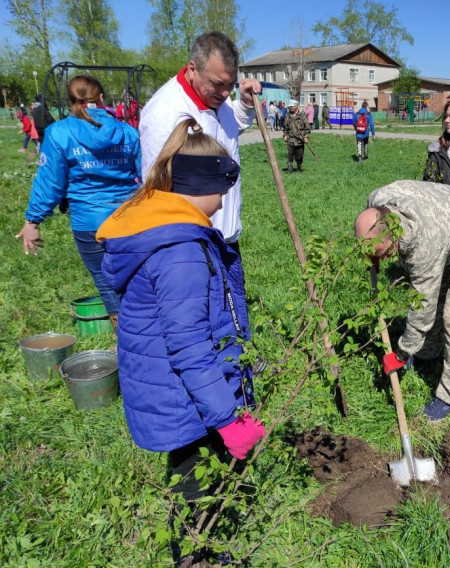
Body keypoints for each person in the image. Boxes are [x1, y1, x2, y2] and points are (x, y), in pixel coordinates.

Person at [97, 118, 266, 565]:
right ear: (203, 184)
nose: (226, 197)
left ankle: (209, 548)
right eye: (223, 187)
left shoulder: (164, 225)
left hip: (180, 395)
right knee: (195, 490)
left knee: (200, 484)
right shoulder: (180, 252)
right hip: (184, 401)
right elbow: (190, 347)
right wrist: (229, 421)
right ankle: (198, 556)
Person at [355, 180, 450, 421]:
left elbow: (422, 306)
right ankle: (428, 352)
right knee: (439, 297)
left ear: (394, 234)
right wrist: (372, 256)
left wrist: (402, 353)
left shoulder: (423, 245)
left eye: (383, 252)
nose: (381, 257)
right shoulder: (377, 201)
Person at [15, 75, 141, 328]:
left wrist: (33, 221)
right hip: (130, 218)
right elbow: (147, 174)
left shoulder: (59, 133)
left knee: (105, 281)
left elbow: (50, 182)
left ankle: (125, 338)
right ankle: (145, 332)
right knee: (136, 276)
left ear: (71, 101)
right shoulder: (128, 132)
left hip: (89, 221)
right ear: (102, 99)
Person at [139, 31, 261, 250]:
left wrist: (244, 104)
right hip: (192, 244)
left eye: (230, 85)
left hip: (225, 238)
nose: (225, 93)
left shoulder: (214, 101)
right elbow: (155, 187)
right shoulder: (165, 114)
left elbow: (227, 129)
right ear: (193, 69)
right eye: (218, 84)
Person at [283, 99, 310, 173]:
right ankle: (290, 169)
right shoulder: (288, 115)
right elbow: (285, 127)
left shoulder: (302, 115)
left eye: (291, 107)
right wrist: (285, 135)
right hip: (290, 139)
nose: (289, 108)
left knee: (299, 156)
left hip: (300, 139)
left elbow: (307, 127)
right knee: (290, 154)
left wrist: (306, 137)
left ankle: (298, 168)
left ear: (295, 107)